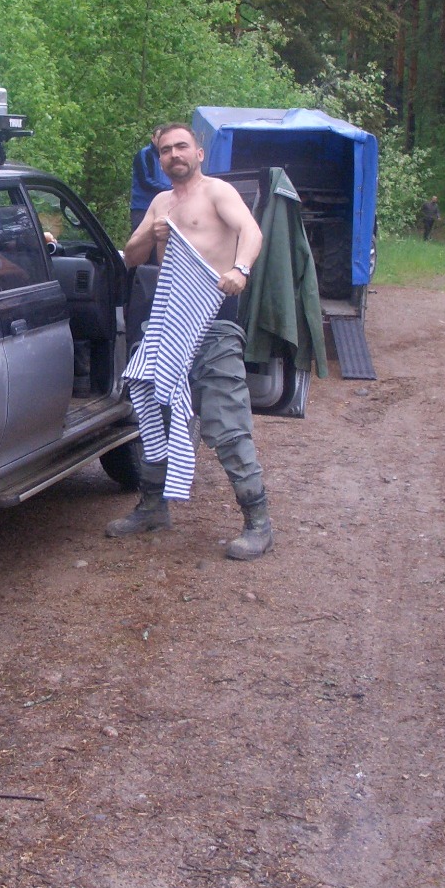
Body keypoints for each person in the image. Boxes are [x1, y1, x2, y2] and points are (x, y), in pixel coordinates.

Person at [109, 123, 274, 560]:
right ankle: (152, 506)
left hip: (215, 324)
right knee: (153, 413)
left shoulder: (217, 192)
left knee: (225, 422)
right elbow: (130, 256)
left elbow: (251, 232)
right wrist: (152, 232)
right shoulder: (160, 203)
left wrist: (240, 269)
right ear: (159, 160)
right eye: (165, 150)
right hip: (168, 326)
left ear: (199, 153)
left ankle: (258, 521)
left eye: (181, 146)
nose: (174, 155)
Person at [130, 124, 175, 230]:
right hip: (143, 207)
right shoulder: (145, 153)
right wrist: (170, 189)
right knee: (141, 241)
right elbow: (145, 181)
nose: (161, 141)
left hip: (164, 206)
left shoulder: (169, 156)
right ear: (153, 138)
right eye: (159, 137)